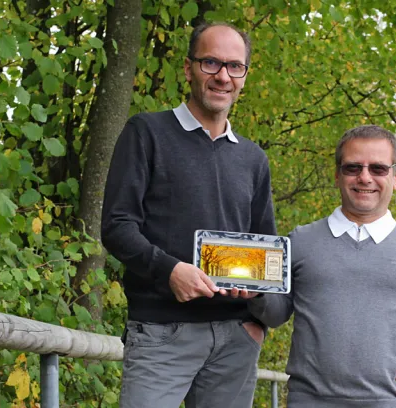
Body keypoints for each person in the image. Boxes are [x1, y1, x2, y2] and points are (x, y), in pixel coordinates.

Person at [101, 22, 276, 408]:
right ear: (188, 68)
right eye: (211, 62)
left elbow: (267, 252)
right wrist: (169, 270)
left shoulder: (253, 159)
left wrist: (257, 317)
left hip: (236, 338)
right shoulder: (146, 132)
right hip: (162, 330)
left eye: (234, 66)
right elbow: (116, 227)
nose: (222, 76)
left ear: (244, 76)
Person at [245, 125, 396, 407]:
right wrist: (256, 294)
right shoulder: (299, 241)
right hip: (309, 401)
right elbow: (276, 314)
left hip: (390, 401)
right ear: (337, 174)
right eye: (353, 167)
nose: (364, 177)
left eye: (378, 169)